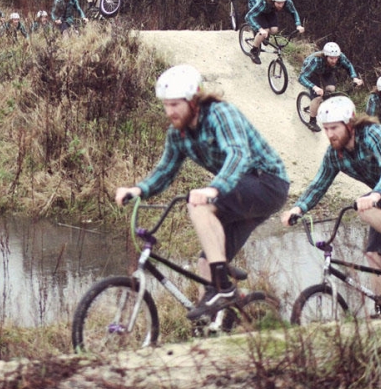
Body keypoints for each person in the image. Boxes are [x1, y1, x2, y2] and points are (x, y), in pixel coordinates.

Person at [115, 64, 290, 320]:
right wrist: (138, 189)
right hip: (241, 192)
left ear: (193, 101)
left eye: (175, 104)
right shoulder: (178, 135)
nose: (169, 111)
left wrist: (213, 189)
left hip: (267, 183)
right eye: (165, 105)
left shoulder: (220, 113)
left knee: (198, 205)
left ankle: (223, 286)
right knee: (204, 263)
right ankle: (214, 323)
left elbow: (238, 153)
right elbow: (164, 172)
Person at [280, 96, 381, 312]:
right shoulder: (334, 155)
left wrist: (376, 195)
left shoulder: (373, 134)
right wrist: (297, 209)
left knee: (368, 208)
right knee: (374, 254)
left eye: (334, 127)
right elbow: (319, 184)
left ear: (349, 123)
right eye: (326, 129)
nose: (330, 134)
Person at [297, 42, 364, 132]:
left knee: (331, 90)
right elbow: (301, 77)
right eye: (331, 58)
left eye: (336, 58)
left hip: (326, 71)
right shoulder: (315, 60)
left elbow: (349, 66)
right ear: (325, 56)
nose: (334, 60)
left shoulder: (340, 57)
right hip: (312, 73)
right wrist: (314, 87)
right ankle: (312, 121)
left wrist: (354, 78)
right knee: (317, 97)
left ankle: (319, 105)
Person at [244, 0, 304, 64]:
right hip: (255, 5)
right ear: (273, 1)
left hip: (270, 9)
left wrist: (298, 25)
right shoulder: (263, 2)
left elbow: (293, 12)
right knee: (264, 30)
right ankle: (254, 51)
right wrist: (260, 29)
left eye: (282, 3)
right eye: (278, 3)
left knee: (274, 29)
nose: (281, 5)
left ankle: (265, 36)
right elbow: (248, 16)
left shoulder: (287, 1)